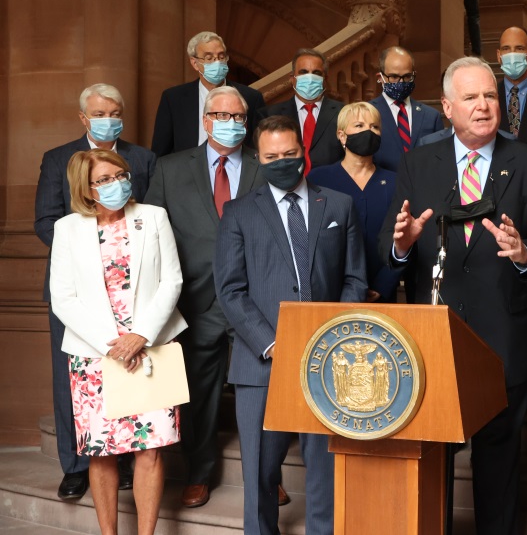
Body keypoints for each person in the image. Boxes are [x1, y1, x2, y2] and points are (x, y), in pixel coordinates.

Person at [379, 56, 527, 535]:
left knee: (498, 461)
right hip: (433, 341)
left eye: (490, 95)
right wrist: (402, 246)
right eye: (470, 97)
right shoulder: (418, 163)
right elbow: (390, 246)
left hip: (502, 335)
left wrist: (525, 252)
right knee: (432, 457)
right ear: (446, 107)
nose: (483, 106)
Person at [215, 115, 367, 535]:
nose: (282, 162)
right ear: (258, 159)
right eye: (271, 157)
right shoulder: (238, 212)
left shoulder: (338, 205)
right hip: (261, 361)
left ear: (303, 152)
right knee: (260, 472)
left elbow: (355, 279)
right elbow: (230, 289)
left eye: (289, 153)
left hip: (327, 360)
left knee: (325, 468)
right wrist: (272, 343)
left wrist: (332, 337)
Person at [49, 148, 187, 535]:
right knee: (102, 451)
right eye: (105, 180)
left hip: (152, 348)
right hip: (95, 355)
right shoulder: (67, 229)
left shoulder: (154, 217)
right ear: (86, 188)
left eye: (121, 175)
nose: (117, 184)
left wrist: (140, 335)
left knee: (151, 449)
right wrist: (112, 344)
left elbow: (172, 281)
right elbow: (63, 298)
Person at [144, 86, 267, 508]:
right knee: (197, 394)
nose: (231, 124)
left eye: (239, 117)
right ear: (205, 120)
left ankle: (265, 475)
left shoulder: (264, 165)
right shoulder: (169, 168)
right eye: (221, 116)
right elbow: (152, 237)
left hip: (252, 300)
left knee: (262, 390)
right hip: (195, 301)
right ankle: (199, 473)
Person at [34, 83, 156, 500]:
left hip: (131, 291)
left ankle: (123, 459)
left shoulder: (143, 159)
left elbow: (149, 217)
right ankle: (75, 466)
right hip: (76, 290)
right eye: (100, 113)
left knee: (128, 372)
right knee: (72, 379)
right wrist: (89, 254)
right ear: (84, 117)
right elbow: (45, 220)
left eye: (115, 112)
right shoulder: (58, 158)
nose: (109, 119)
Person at [309, 101, 398, 303]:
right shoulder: (318, 179)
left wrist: (383, 284)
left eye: (375, 127)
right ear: (341, 135)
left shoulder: (395, 181)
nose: (369, 131)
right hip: (331, 294)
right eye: (359, 125)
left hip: (382, 294)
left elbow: (402, 239)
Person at [151, 31, 265, 157]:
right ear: (195, 63)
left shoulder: (251, 97)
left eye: (221, 56)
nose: (217, 62)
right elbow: (161, 153)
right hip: (187, 168)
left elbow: (261, 146)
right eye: (209, 58)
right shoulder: (173, 99)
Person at [261, 48, 346, 175]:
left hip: (331, 183)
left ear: (325, 79)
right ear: (292, 78)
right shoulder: (269, 114)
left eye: (316, 73)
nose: (310, 78)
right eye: (304, 72)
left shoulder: (343, 112)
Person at [369, 46, 445, 172]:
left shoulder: (431, 116)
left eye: (407, 76)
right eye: (394, 77)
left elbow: (440, 159)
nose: (401, 82)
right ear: (380, 77)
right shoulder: (367, 113)